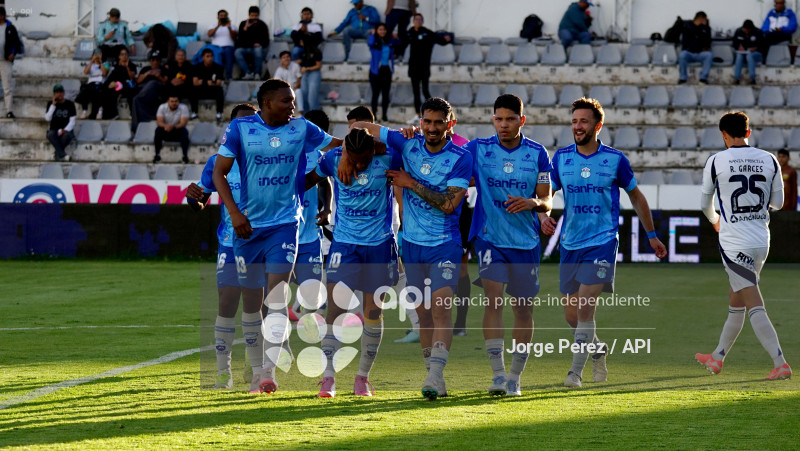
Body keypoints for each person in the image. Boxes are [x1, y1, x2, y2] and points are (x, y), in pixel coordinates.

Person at [212, 79, 342, 394]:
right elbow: (219, 173)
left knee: (277, 295)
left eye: (293, 100)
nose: (292, 106)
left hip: (285, 224)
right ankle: (257, 372)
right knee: (252, 303)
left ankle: (268, 372)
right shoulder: (241, 129)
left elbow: (338, 144)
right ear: (267, 102)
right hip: (247, 229)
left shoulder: (302, 128)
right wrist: (236, 214)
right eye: (286, 101)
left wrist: (385, 141)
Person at [345, 97, 473, 400]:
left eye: (438, 122)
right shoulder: (408, 143)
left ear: (450, 124)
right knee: (424, 315)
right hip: (411, 246)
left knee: (441, 309)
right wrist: (346, 154)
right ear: (421, 121)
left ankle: (434, 374)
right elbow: (359, 126)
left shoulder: (460, 156)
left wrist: (410, 182)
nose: (431, 128)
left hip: (444, 245)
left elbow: (449, 204)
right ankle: (433, 375)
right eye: (426, 121)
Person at [541, 98, 667, 388]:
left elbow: (636, 196)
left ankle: (575, 373)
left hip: (603, 241)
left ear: (597, 126)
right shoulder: (561, 158)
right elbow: (546, 193)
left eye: (583, 121)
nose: (577, 126)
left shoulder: (615, 159)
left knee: (585, 308)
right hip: (571, 243)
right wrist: (543, 215)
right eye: (574, 121)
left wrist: (651, 235)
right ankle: (597, 348)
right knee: (571, 315)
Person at [466, 94, 552, 397]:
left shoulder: (538, 153)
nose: (504, 124)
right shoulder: (478, 149)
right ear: (493, 119)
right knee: (493, 299)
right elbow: (446, 155)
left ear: (521, 120)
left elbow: (547, 198)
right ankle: (498, 375)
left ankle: (516, 376)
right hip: (490, 238)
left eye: (510, 119)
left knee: (524, 309)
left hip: (525, 242)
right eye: (498, 119)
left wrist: (534, 204)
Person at [695, 111, 791, 381]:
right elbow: (779, 204)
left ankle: (780, 362)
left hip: (735, 243)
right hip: (761, 241)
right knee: (736, 300)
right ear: (748, 133)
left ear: (724, 135)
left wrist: (716, 220)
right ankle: (717, 357)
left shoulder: (716, 161)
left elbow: (705, 204)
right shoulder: (770, 159)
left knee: (753, 303)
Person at [307, 127, 402, 398]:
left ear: (374, 149)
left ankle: (362, 378)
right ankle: (328, 378)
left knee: (373, 313)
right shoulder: (334, 159)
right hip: (345, 246)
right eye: (355, 158)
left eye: (365, 159)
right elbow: (309, 180)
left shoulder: (390, 157)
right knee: (335, 311)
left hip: (380, 245)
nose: (360, 165)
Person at [185, 103, 257, 390]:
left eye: (249, 123)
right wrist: (194, 199)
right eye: (237, 124)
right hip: (230, 244)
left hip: (263, 243)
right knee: (227, 303)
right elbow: (201, 200)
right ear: (231, 128)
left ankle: (256, 364)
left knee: (259, 307)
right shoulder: (217, 161)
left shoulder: (269, 158)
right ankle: (223, 373)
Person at [282, 109, 333, 323]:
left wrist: (327, 208)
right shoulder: (282, 151)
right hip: (282, 232)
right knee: (275, 290)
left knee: (311, 292)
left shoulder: (318, 156)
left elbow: (324, 182)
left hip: (310, 234)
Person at [406, 14, 451, 121]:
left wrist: (446, 39)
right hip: (413, 68)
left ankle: (433, 111)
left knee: (425, 90)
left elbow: (439, 40)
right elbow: (401, 43)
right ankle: (417, 114)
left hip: (424, 67)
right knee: (416, 92)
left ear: (422, 21)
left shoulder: (427, 32)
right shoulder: (410, 33)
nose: (418, 21)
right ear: (413, 21)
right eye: (416, 19)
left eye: (420, 19)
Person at [368, 24, 401, 122]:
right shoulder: (375, 42)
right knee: (375, 94)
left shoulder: (390, 41)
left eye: (384, 30)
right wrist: (373, 34)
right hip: (376, 70)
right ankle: (373, 115)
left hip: (386, 70)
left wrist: (397, 38)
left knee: (385, 95)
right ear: (377, 30)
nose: (382, 31)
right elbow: (369, 43)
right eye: (380, 29)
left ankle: (384, 115)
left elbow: (400, 44)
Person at [131, 50, 167, 132]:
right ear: (150, 61)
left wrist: (159, 77)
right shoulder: (145, 69)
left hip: (157, 88)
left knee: (152, 83)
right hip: (144, 89)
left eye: (157, 60)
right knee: (135, 99)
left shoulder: (163, 69)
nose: (155, 62)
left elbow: (166, 82)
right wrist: (147, 74)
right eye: (153, 60)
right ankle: (136, 128)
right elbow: (138, 81)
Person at [100, 47, 137, 120]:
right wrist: (111, 84)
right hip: (118, 87)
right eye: (122, 54)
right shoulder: (116, 67)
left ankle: (132, 114)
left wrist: (127, 67)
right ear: (119, 56)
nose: (124, 56)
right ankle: (111, 114)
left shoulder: (132, 66)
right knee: (106, 89)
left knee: (131, 91)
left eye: (126, 54)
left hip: (128, 86)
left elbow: (132, 77)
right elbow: (110, 78)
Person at [235, 6, 270, 80]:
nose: (254, 17)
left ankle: (257, 73)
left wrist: (259, 44)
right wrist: (245, 28)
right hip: (246, 48)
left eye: (256, 16)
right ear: (249, 15)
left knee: (258, 50)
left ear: (258, 15)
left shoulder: (262, 25)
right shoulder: (243, 24)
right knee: (237, 52)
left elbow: (266, 40)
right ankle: (247, 73)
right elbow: (240, 40)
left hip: (258, 49)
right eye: (252, 15)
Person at [153, 94, 190, 164]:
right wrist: (166, 126)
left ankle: (185, 156)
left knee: (184, 132)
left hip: (177, 129)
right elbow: (159, 122)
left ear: (179, 102)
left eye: (176, 101)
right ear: (168, 101)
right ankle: (157, 155)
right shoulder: (162, 107)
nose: (174, 103)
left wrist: (173, 126)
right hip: (165, 129)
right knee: (158, 131)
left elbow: (183, 123)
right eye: (172, 101)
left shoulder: (183, 108)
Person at [678, 11, 712, 85]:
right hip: (689, 53)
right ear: (700, 18)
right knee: (682, 55)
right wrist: (699, 29)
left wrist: (705, 28)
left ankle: (703, 78)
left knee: (709, 55)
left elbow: (708, 42)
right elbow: (686, 41)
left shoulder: (706, 28)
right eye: (705, 19)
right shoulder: (687, 26)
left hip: (700, 53)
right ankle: (683, 77)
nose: (706, 21)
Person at [45, 84, 77, 162]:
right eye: (57, 92)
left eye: (61, 92)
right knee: (50, 134)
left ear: (64, 93)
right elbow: (47, 118)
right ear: (54, 94)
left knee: (66, 136)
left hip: (66, 130)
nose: (59, 94)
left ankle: (57, 154)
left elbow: (72, 121)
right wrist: (53, 106)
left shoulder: (70, 104)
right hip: (54, 130)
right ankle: (63, 155)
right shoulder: (50, 104)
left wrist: (65, 130)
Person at [0, 6, 22, 118]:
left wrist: (12, 53)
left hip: (5, 61)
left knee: (7, 86)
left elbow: (16, 43)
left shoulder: (10, 28)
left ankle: (9, 110)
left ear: (2, 16)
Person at [191, 48, 224, 122]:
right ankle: (194, 112)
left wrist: (202, 81)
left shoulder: (217, 67)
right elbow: (195, 82)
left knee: (219, 90)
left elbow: (218, 82)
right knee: (193, 90)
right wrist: (207, 82)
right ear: (203, 57)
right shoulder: (197, 67)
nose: (210, 58)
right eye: (207, 56)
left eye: (211, 56)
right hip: (201, 90)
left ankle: (219, 113)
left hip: (212, 90)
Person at [75, 49, 109, 119]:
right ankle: (84, 110)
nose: (97, 56)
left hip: (100, 83)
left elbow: (105, 73)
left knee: (100, 92)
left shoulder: (105, 64)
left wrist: (100, 62)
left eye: (99, 54)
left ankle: (100, 111)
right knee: (84, 89)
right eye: (95, 54)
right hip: (91, 84)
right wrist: (91, 61)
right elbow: (85, 72)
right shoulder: (90, 64)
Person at [732, 20, 764, 85]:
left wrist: (756, 48)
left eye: (747, 30)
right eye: (745, 30)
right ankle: (736, 78)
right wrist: (738, 47)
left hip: (756, 54)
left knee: (750, 55)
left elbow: (764, 45)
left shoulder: (758, 32)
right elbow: (734, 43)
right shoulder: (738, 31)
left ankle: (752, 78)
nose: (746, 32)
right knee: (739, 56)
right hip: (744, 53)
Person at [208, 9, 237, 80]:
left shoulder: (232, 26)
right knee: (216, 55)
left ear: (227, 17)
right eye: (221, 16)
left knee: (228, 53)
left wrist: (229, 28)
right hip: (216, 47)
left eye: (224, 16)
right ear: (217, 17)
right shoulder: (213, 25)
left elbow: (234, 37)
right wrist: (218, 26)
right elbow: (209, 34)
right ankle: (217, 77)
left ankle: (228, 76)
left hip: (228, 47)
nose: (223, 17)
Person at [299, 43, 322, 112]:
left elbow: (318, 65)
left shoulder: (316, 51)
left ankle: (314, 117)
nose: (301, 43)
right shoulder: (302, 51)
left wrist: (307, 69)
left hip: (314, 73)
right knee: (304, 96)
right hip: (305, 73)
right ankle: (306, 117)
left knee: (312, 97)